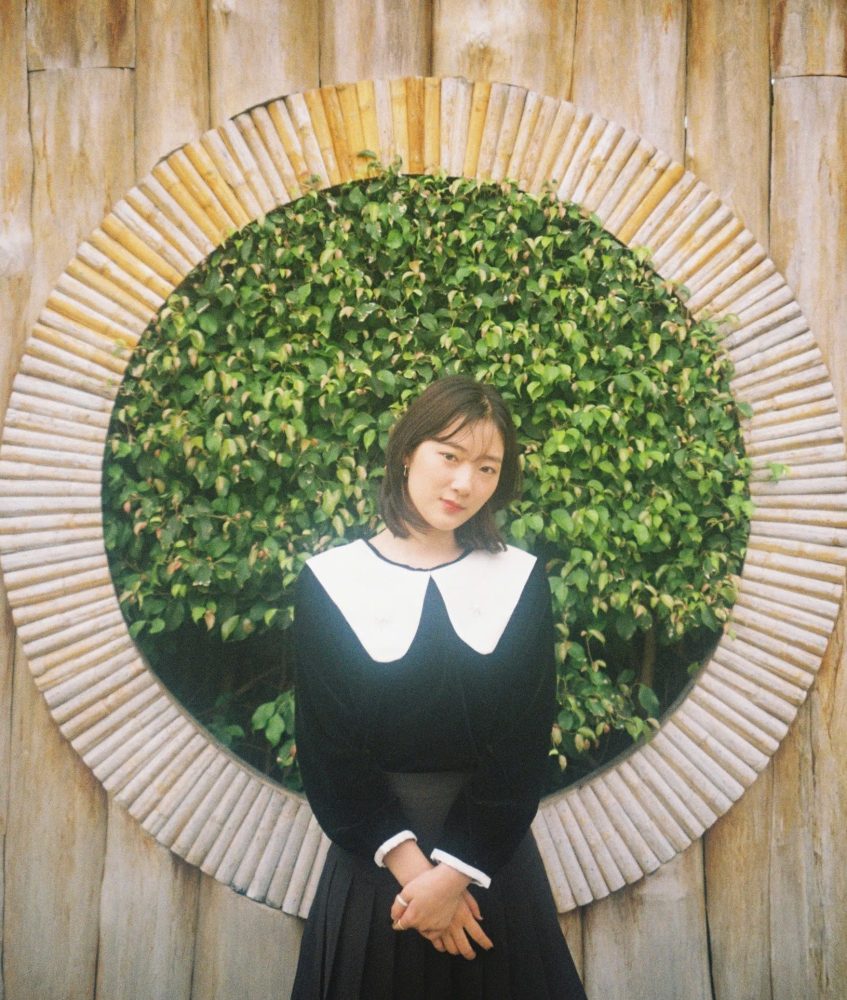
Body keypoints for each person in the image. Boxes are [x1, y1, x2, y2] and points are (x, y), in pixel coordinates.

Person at [290, 375, 587, 1000]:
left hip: (489, 873)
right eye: (449, 456)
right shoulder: (330, 581)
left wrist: (451, 879)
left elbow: (523, 743)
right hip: (376, 873)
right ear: (407, 452)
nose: (464, 483)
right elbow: (327, 751)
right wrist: (418, 881)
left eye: (487, 468)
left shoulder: (518, 579)